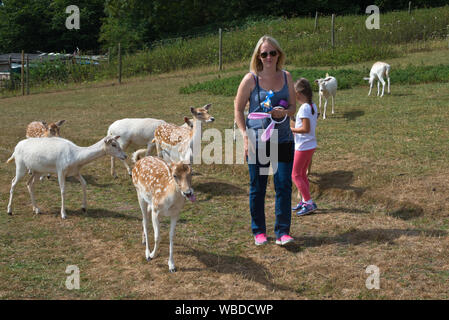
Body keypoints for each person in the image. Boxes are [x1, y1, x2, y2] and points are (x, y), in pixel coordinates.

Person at [234, 35, 296, 246]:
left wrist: (284, 112)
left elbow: (293, 108)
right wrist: (244, 136)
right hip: (257, 141)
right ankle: (258, 231)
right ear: (258, 57)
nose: (269, 57)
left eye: (272, 53)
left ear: (279, 54)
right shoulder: (250, 80)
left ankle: (282, 232)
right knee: (258, 187)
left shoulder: (287, 77)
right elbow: (238, 109)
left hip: (284, 140)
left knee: (283, 185)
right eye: (264, 54)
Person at [290, 78, 318, 216]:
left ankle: (309, 202)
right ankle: (304, 200)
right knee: (302, 174)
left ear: (299, 93)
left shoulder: (305, 108)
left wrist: (291, 130)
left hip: (303, 146)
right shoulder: (312, 105)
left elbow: (305, 129)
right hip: (310, 145)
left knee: (295, 174)